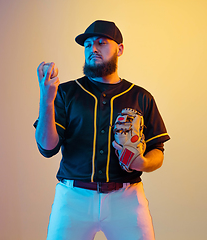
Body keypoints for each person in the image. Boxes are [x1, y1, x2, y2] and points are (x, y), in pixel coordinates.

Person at [34, 20, 170, 240]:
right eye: (88, 45)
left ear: (120, 49)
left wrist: (143, 162)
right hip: (73, 196)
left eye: (101, 43)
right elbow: (47, 148)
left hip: (126, 197)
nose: (93, 49)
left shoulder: (140, 96)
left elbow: (158, 150)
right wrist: (46, 101)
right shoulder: (66, 92)